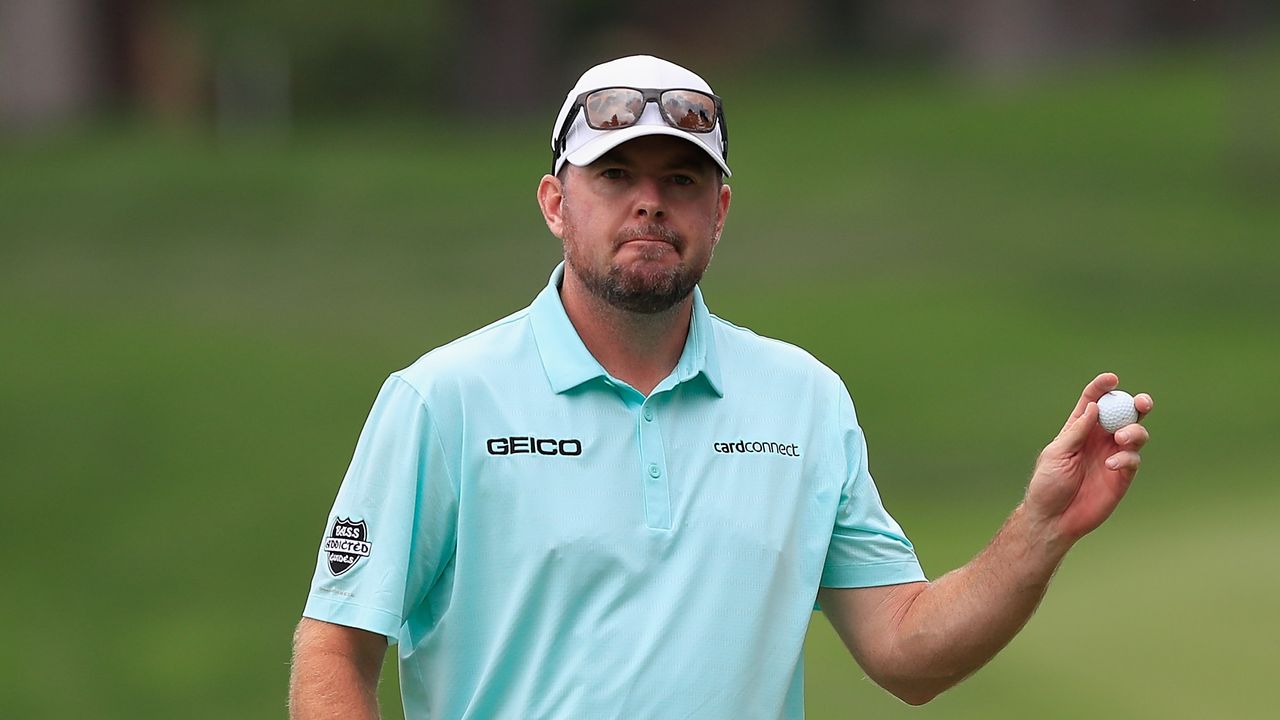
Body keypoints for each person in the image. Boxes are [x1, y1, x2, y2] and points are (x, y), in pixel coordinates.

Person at [288, 55, 1153, 720]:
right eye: (616, 176)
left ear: (721, 209)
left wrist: (1039, 531)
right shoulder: (443, 399)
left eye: (682, 180)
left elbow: (906, 648)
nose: (650, 204)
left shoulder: (803, 401)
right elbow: (335, 643)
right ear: (555, 202)